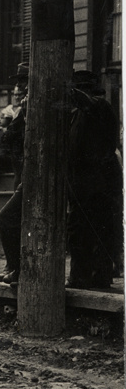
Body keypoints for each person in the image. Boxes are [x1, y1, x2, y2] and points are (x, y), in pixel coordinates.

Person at [66, 71, 122, 289]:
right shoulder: (76, 115)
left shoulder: (100, 106)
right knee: (79, 230)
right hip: (81, 183)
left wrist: (63, 88)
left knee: (101, 230)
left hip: (100, 183)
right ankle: (81, 276)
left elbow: (86, 101)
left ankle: (99, 278)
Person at [0, 65, 30, 284]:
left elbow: (10, 138)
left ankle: (17, 269)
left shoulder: (29, 110)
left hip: (31, 175)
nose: (19, 89)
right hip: (20, 173)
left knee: (7, 217)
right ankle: (12, 267)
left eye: (23, 83)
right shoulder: (20, 111)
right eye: (17, 86)